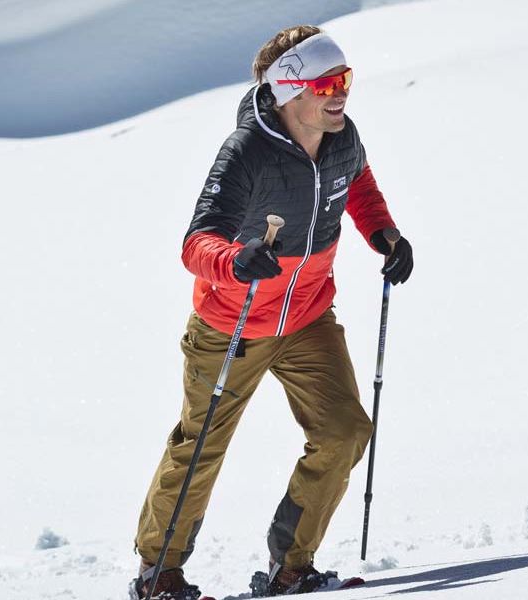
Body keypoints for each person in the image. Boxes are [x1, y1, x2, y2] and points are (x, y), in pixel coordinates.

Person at [126, 25, 415, 600]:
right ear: (289, 91)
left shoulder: (341, 138)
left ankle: (291, 566)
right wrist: (235, 260)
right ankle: (159, 575)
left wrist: (383, 232)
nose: (341, 94)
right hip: (233, 323)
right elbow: (196, 243)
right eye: (328, 83)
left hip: (308, 316)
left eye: (346, 80)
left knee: (345, 431)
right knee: (201, 444)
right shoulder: (246, 153)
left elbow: (356, 183)